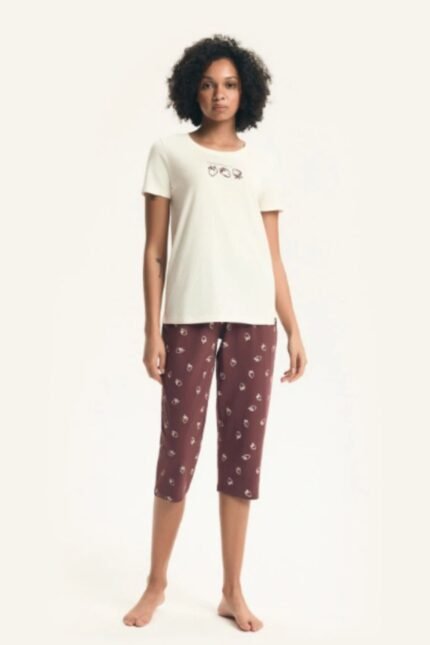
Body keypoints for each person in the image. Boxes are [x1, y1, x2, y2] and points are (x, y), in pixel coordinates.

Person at [123, 34, 307, 632]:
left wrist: (293, 327)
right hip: (188, 319)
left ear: (245, 92)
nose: (218, 94)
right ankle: (156, 584)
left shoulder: (262, 164)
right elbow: (154, 251)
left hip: (254, 322)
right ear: (192, 91)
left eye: (229, 84)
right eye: (207, 84)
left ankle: (232, 590)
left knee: (242, 458)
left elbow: (273, 256)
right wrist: (152, 331)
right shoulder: (169, 153)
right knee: (177, 453)